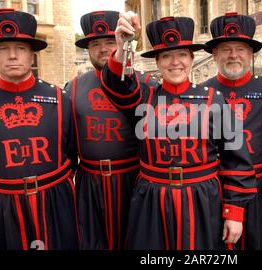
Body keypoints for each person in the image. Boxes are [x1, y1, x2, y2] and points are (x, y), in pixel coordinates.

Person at [100, 12, 257, 250]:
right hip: (152, 199)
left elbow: (237, 160)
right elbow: (117, 85)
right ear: (158, 61)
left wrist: (234, 211)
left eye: (182, 54)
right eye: (166, 55)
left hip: (202, 200)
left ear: (192, 58)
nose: (175, 62)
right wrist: (123, 47)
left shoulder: (215, 99)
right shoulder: (143, 97)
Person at [0, 9, 79, 250]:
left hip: (55, 202)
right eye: (4, 48)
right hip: (3, 208)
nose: (13, 56)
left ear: (32, 54)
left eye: (21, 48)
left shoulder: (60, 99)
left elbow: (72, 154)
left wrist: (56, 189)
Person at [66, 10, 158, 250]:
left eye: (109, 41)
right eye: (95, 44)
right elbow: (67, 144)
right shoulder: (72, 88)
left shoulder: (147, 84)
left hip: (133, 179)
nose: (103, 48)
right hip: (90, 183)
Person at [202, 12, 262, 250]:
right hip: (214, 188)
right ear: (215, 54)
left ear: (250, 53)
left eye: (240, 48)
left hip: (258, 189)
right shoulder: (200, 93)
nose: (233, 55)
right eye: (226, 49)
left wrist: (260, 158)